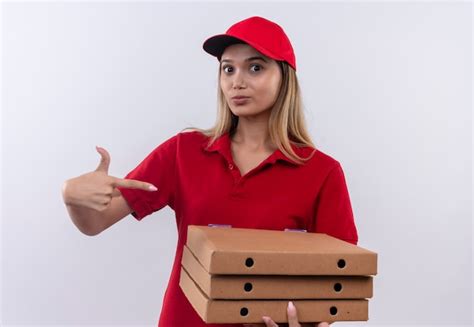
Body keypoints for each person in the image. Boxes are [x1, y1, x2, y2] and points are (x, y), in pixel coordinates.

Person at [62, 16, 358, 327]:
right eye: (228, 69)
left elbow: (337, 283)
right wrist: (73, 198)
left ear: (285, 77)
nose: (236, 81)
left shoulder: (322, 172)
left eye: (255, 67)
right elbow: (96, 222)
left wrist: (311, 322)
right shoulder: (184, 152)